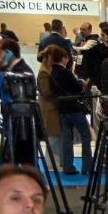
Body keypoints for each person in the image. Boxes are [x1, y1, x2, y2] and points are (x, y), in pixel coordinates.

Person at [37, 45, 89, 175]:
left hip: (61, 109)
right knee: (85, 136)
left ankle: (67, 166)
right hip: (69, 107)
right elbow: (76, 88)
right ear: (63, 58)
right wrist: (82, 84)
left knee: (66, 139)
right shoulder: (60, 72)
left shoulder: (51, 71)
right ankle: (87, 167)